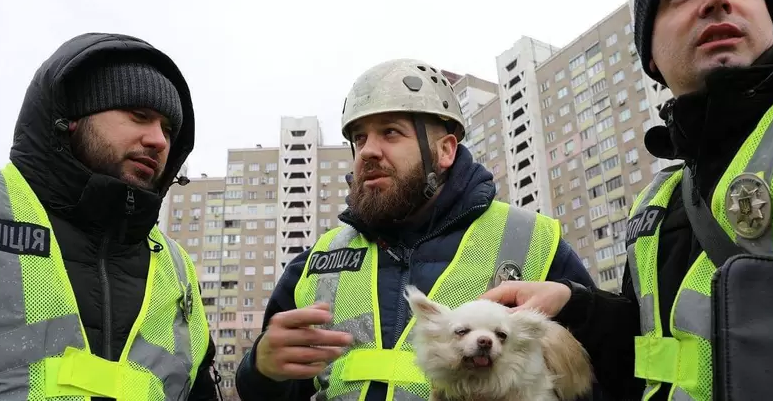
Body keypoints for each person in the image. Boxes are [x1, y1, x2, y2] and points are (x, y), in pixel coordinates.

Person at [479, 0, 773, 400]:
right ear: (651, 60)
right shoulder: (657, 201)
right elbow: (654, 357)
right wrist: (574, 303)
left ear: (771, 20)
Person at [234, 58, 597, 400]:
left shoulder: (529, 239)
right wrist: (259, 370)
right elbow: (274, 390)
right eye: (359, 139)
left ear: (445, 150)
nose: (367, 151)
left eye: (390, 132)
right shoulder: (317, 261)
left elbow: (608, 376)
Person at [0, 32, 218, 400]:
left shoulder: (177, 267)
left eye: (167, 129)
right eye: (139, 116)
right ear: (71, 118)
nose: (159, 140)